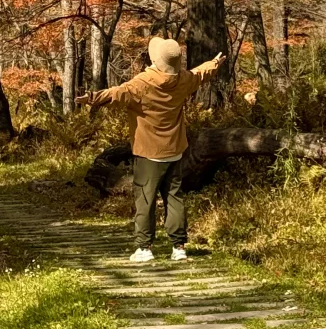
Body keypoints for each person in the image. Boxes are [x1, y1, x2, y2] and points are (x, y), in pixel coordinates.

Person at [78, 37, 225, 262]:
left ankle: (144, 248)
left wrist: (92, 98)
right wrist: (214, 64)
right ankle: (179, 247)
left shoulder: (144, 82)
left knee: (145, 199)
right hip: (175, 149)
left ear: (155, 58)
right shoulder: (183, 79)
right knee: (174, 196)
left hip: (148, 152)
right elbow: (199, 74)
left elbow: (117, 94)